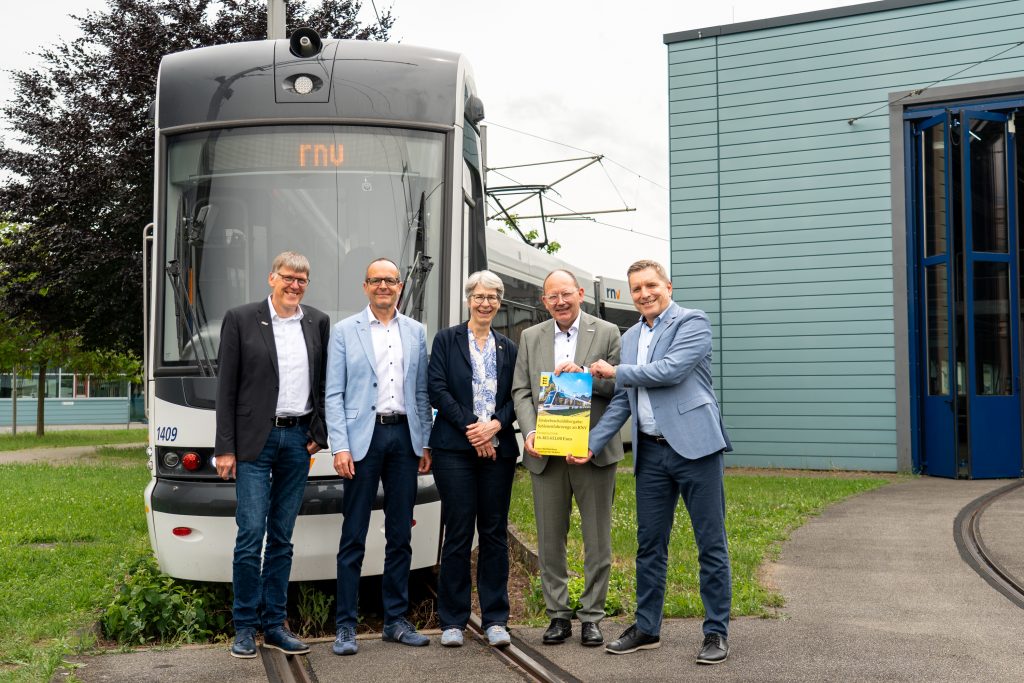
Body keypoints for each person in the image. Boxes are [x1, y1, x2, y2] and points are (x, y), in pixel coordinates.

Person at [588, 259, 732, 664]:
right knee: (649, 544)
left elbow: (669, 371)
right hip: (650, 453)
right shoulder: (630, 335)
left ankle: (716, 631)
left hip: (696, 448)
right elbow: (623, 400)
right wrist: (592, 444)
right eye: (636, 288)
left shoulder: (693, 322)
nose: (644, 294)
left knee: (711, 544)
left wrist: (614, 371)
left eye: (651, 285)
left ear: (668, 286)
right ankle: (647, 627)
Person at [214, 251, 330, 659]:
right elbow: (226, 387)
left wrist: (320, 432)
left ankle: (276, 625)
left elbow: (324, 384)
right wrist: (225, 447)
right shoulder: (241, 319)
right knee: (250, 535)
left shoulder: (317, 322)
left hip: (297, 440)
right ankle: (245, 627)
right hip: (253, 442)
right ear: (272, 278)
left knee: (282, 537)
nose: (294, 285)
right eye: (288, 277)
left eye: (302, 279)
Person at [326, 257, 433, 656]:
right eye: (376, 280)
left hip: (404, 438)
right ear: (365, 286)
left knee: (400, 534)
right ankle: (345, 626)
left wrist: (425, 442)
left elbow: (421, 391)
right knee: (353, 533)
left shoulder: (416, 332)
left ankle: (395, 620)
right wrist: (340, 445)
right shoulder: (344, 331)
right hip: (361, 441)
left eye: (390, 280)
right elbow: (333, 394)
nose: (384, 286)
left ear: (400, 286)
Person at [511, 269, 624, 647]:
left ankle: (592, 615)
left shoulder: (607, 332)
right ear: (544, 301)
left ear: (580, 293)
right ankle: (558, 614)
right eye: (552, 296)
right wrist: (530, 433)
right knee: (549, 540)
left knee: (597, 539)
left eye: (566, 294)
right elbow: (521, 391)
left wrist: (587, 376)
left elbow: (620, 386)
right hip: (546, 453)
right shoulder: (530, 337)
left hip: (592, 452)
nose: (560, 302)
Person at [427, 270, 519, 649]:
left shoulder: (509, 347)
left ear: (499, 302)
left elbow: (518, 395)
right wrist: (474, 428)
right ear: (468, 300)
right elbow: (437, 388)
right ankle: (453, 620)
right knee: (459, 530)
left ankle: (495, 618)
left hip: (498, 450)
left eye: (492, 297)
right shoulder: (446, 340)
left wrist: (495, 425)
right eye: (479, 296)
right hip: (454, 450)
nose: (485, 303)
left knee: (494, 532)